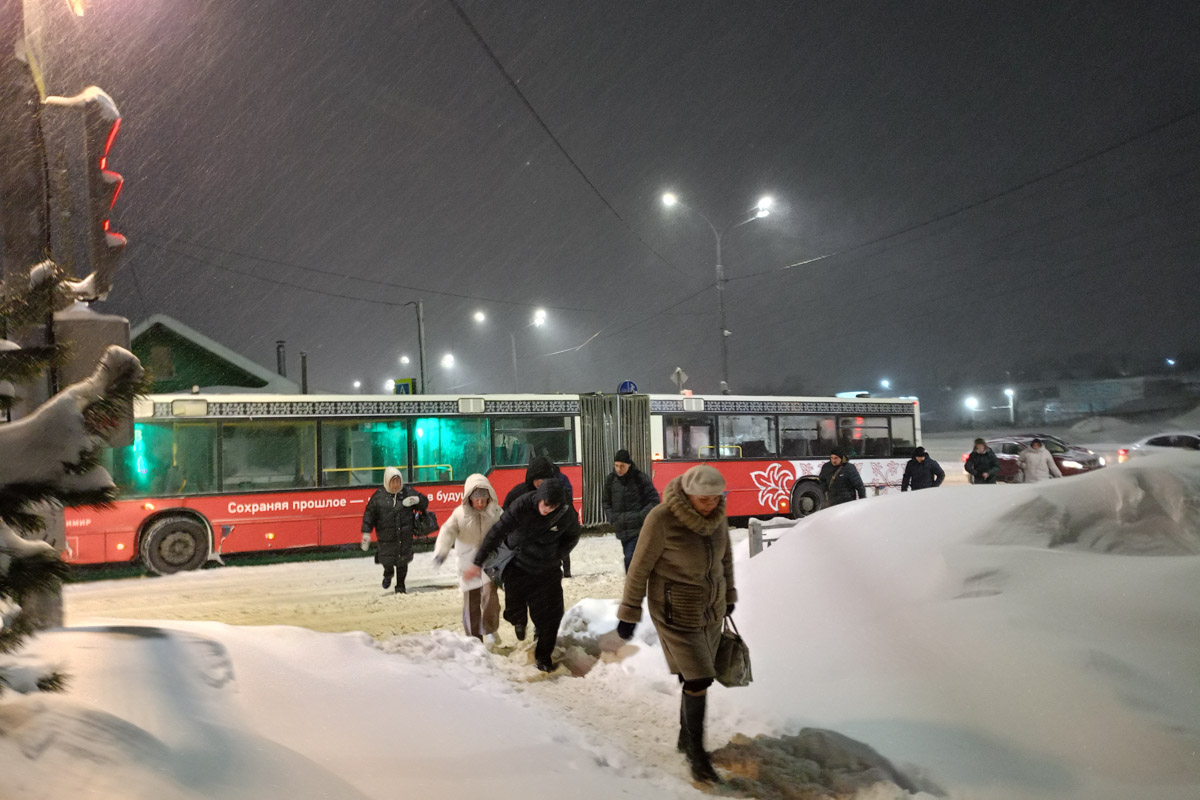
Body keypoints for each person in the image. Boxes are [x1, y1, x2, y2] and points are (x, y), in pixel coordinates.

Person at [615, 464, 736, 784]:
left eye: (715, 498)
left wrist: (730, 595)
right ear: (688, 494)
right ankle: (697, 755)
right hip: (673, 610)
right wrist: (628, 612)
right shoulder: (661, 519)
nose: (710, 504)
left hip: (710, 609)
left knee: (692, 676)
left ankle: (686, 738)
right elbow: (639, 567)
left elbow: (726, 560)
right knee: (700, 678)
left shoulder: (718, 518)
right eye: (704, 499)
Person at [467, 479, 580, 672]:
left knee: (552, 615)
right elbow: (497, 531)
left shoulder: (566, 513)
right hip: (519, 564)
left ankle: (543, 658)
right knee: (516, 605)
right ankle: (519, 621)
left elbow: (572, 537)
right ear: (538, 498)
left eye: (553, 506)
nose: (548, 510)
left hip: (548, 567)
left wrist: (556, 556)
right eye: (545, 504)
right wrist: (478, 562)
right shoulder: (522, 505)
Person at [432, 474, 502, 644]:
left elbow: (508, 528)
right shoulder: (459, 515)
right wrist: (441, 552)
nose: (480, 503)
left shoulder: (496, 512)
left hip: (489, 562)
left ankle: (490, 629)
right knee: (471, 605)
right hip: (467, 564)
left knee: (490, 597)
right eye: (476, 499)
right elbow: (447, 532)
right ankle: (474, 642)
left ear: (489, 497)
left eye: (483, 499)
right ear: (469, 498)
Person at [503, 455, 576, 577]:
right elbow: (506, 512)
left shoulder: (559, 491)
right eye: (538, 479)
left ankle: (566, 570)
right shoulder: (519, 492)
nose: (541, 483)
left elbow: (569, 514)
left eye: (544, 479)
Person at [360, 467, 428, 593]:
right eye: (393, 482)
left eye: (398, 482)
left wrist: (417, 500)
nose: (396, 485)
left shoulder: (407, 492)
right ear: (387, 481)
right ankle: (388, 573)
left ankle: (400, 586)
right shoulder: (378, 496)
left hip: (404, 536)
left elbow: (424, 503)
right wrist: (366, 532)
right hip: (386, 536)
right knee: (386, 559)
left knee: (403, 561)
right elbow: (369, 515)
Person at [602, 448, 660, 572]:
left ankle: (633, 588)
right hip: (622, 528)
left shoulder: (640, 478)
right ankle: (636, 586)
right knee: (632, 559)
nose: (619, 469)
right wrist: (612, 518)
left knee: (631, 559)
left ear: (629, 464)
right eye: (616, 465)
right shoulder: (611, 480)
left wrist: (641, 517)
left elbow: (654, 500)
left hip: (639, 528)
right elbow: (606, 502)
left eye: (622, 466)